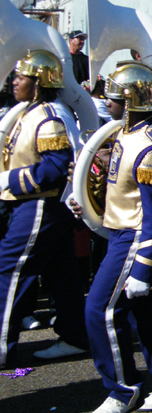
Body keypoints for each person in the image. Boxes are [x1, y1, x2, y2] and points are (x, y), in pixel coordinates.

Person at [72, 61, 152, 413]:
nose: (106, 102)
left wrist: (143, 267)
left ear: (130, 100)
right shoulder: (126, 133)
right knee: (151, 319)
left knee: (100, 311)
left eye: (112, 97)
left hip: (136, 241)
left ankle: (123, 390)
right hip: (123, 233)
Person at [0, 51, 89, 368]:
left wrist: (6, 179)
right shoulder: (32, 111)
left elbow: (54, 169)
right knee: (60, 274)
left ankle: (1, 344)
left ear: (38, 83)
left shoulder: (48, 116)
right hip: (41, 204)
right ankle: (75, 336)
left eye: (21, 77)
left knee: (9, 270)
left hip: (41, 203)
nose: (14, 81)